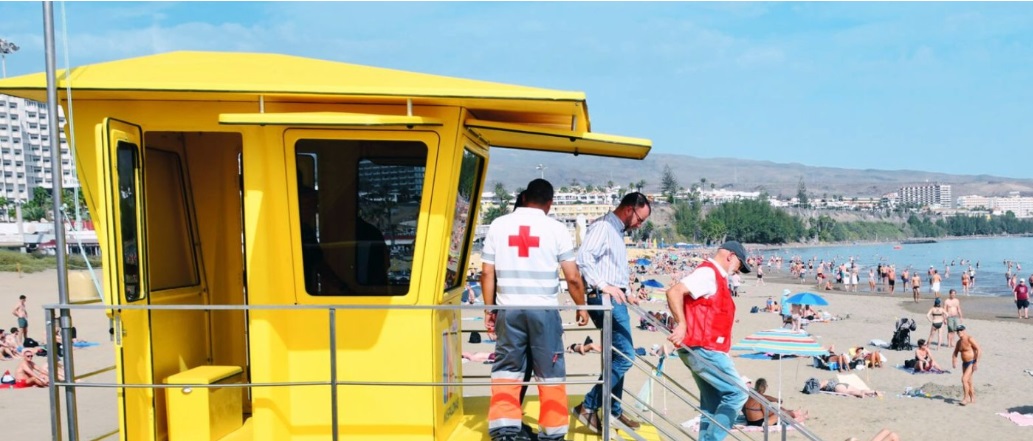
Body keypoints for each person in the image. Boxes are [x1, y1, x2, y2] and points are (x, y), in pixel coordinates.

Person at [481, 179, 590, 441]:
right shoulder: (556, 228)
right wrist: (581, 306)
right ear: (550, 203)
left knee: (507, 372)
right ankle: (552, 434)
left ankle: (504, 432)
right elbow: (573, 277)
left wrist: (489, 310)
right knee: (550, 373)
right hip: (543, 311)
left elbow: (487, 272)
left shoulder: (499, 225)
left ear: (525, 196)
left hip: (509, 310)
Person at [572, 192, 651, 433]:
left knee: (617, 356)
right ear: (629, 209)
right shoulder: (604, 227)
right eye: (640, 218)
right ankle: (588, 406)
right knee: (625, 355)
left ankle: (613, 411)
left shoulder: (615, 231)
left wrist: (625, 291)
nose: (640, 224)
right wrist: (602, 285)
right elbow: (584, 257)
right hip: (604, 299)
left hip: (614, 298)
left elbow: (611, 269)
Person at [666, 240, 752, 441]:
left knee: (712, 402)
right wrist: (682, 324)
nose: (738, 270)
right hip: (703, 348)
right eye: (740, 264)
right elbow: (674, 292)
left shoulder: (716, 276)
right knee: (738, 393)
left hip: (702, 348)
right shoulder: (709, 273)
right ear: (730, 256)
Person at [742, 378, 808, 426]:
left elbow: (766, 397)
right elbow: (766, 414)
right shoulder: (761, 399)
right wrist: (775, 411)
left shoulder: (752, 395)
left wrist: (776, 400)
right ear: (765, 387)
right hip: (759, 423)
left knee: (780, 409)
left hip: (750, 421)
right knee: (781, 413)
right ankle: (797, 415)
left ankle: (795, 412)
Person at [951, 325, 980, 406]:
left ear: (964, 330)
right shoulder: (959, 342)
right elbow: (955, 352)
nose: (959, 332)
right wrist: (954, 360)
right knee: (969, 381)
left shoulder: (969, 339)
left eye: (960, 330)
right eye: (958, 331)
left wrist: (976, 363)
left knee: (964, 380)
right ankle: (973, 398)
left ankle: (965, 398)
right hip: (964, 363)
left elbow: (979, 349)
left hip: (972, 362)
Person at [816, 378, 883, 398]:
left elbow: (818, 388)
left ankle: (868, 393)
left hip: (838, 387)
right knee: (858, 391)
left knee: (854, 392)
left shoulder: (823, 382)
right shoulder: (827, 380)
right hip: (842, 385)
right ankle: (873, 392)